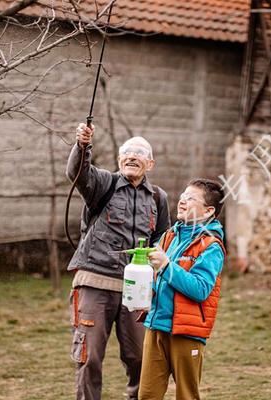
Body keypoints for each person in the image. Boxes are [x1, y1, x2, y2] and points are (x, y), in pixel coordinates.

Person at [67, 122, 171, 400]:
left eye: (139, 153)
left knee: (140, 358)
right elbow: (77, 173)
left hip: (137, 290)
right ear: (119, 159)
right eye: (127, 152)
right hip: (95, 282)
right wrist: (83, 145)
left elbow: (162, 239)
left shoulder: (158, 197)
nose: (132, 156)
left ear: (150, 163)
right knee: (89, 358)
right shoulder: (104, 183)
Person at [139, 179, 227, 400]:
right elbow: (156, 276)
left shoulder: (211, 246)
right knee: (147, 395)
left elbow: (200, 289)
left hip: (186, 332)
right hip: (156, 326)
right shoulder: (169, 236)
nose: (182, 201)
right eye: (183, 196)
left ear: (209, 211)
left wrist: (167, 266)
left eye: (191, 198)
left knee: (186, 395)